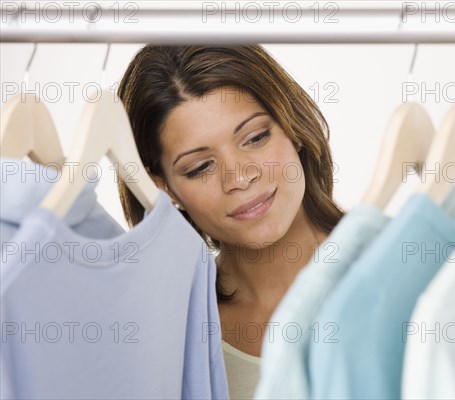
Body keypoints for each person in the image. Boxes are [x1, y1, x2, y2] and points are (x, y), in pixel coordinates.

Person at [116, 45, 344, 398]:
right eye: (199, 167)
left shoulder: (414, 268)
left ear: (293, 123)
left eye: (255, 138)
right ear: (163, 188)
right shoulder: (171, 336)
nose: (238, 176)